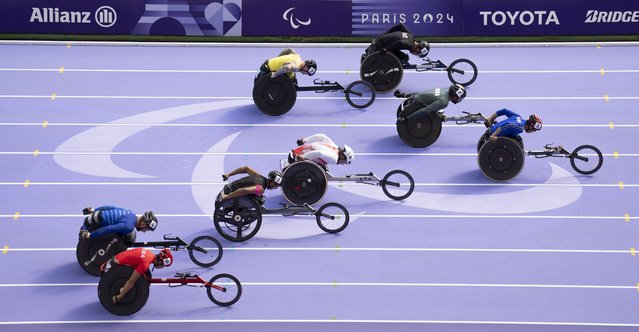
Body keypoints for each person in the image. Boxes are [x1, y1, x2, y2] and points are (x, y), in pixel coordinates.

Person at [101, 248, 173, 304]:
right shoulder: (145, 264)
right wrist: (119, 297)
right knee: (133, 280)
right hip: (110, 269)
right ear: (160, 262)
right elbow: (131, 281)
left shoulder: (148, 253)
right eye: (163, 266)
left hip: (112, 260)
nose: (162, 268)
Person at [395, 84, 466, 125]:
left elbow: (422, 93)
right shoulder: (444, 102)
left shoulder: (443, 90)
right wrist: (406, 119)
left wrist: (404, 95)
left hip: (413, 97)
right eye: (460, 98)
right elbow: (425, 110)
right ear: (455, 96)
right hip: (414, 105)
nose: (459, 100)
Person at [79, 206, 157, 243]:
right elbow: (108, 229)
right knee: (83, 237)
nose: (144, 231)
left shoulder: (129, 212)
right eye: (147, 229)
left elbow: (111, 207)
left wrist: (94, 210)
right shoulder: (128, 227)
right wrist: (91, 235)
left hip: (98, 213)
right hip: (92, 222)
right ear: (143, 224)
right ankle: (83, 232)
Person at [361, 23, 430, 64]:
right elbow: (400, 42)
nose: (416, 54)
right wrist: (386, 49)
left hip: (379, 39)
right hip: (379, 45)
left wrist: (387, 33)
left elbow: (400, 25)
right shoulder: (408, 45)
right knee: (403, 58)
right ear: (418, 49)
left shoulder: (410, 35)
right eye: (418, 53)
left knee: (404, 57)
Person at [218, 166, 283, 203]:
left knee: (258, 197)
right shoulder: (260, 189)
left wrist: (229, 174)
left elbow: (246, 168)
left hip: (228, 187)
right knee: (260, 200)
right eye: (276, 185)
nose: (276, 188)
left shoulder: (259, 176)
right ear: (273, 183)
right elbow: (244, 190)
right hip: (228, 192)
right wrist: (227, 197)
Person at [288, 134, 355, 168]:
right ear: (343, 157)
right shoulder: (334, 159)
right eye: (344, 162)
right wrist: (302, 157)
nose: (342, 164)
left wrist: (305, 140)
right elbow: (319, 153)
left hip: (295, 152)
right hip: (295, 159)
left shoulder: (335, 147)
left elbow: (322, 136)